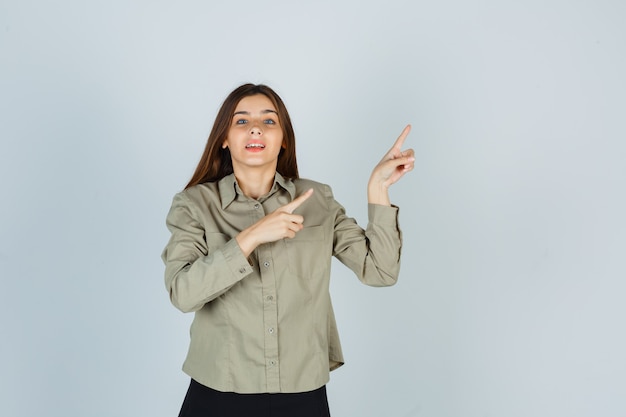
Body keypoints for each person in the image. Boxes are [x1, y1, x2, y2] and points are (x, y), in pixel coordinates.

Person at [162, 83, 415, 417]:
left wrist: (378, 188)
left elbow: (380, 271)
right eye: (241, 121)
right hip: (218, 392)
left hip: (302, 394)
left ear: (284, 140)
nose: (255, 127)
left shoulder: (317, 201)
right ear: (224, 138)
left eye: (269, 121)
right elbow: (183, 293)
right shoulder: (193, 205)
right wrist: (250, 237)